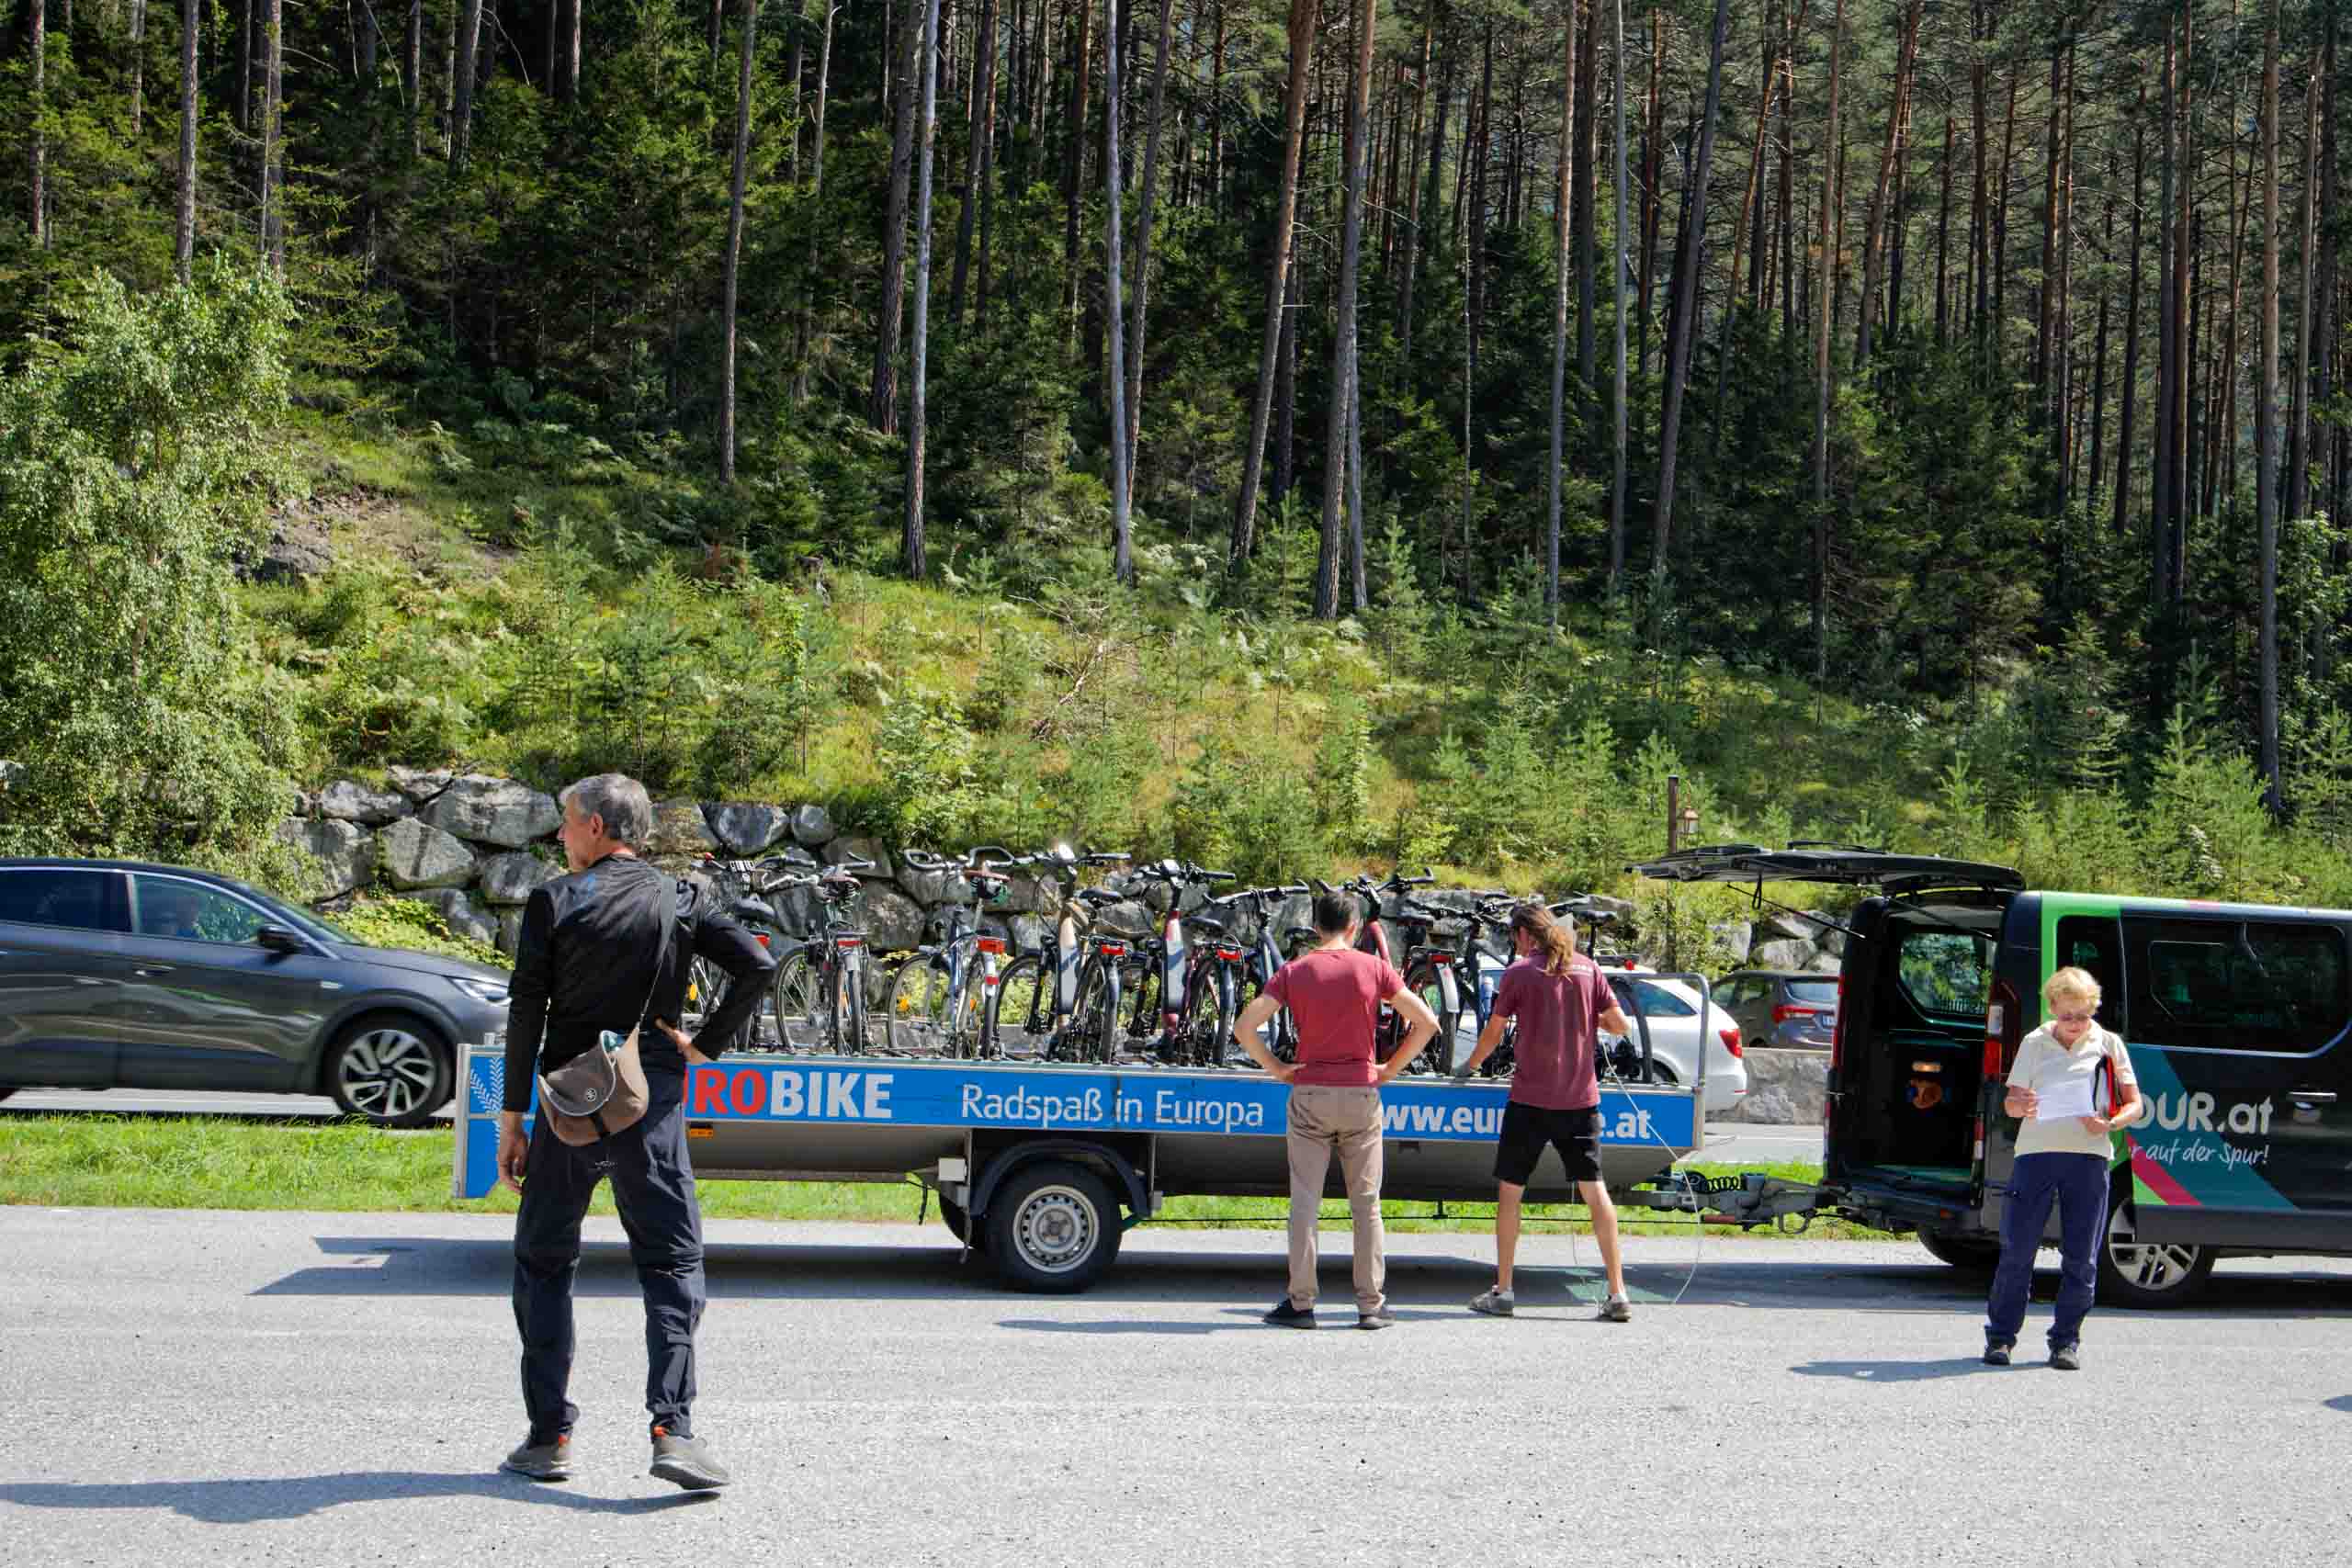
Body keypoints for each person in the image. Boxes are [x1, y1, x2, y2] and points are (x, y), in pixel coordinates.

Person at [494, 773, 775, 1489]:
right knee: (672, 1262)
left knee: (543, 1260)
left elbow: (526, 1010)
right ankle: (672, 1430)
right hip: (649, 1107)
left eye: (567, 821)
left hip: (567, 1111)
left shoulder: (553, 899)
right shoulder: (681, 898)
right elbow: (758, 964)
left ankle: (549, 1435)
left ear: (596, 826)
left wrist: (512, 1116)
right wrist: (705, 1045)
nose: (561, 835)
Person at [1232, 889, 1440, 1330]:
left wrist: (1277, 1069)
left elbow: (1244, 1027)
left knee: (1305, 1202)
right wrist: (1389, 1070)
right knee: (1366, 1205)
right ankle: (1370, 1306)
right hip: (1361, 1093)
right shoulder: (1374, 968)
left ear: (1316, 927)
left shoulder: (1295, 970)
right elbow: (1428, 1023)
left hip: (1310, 1094)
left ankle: (1301, 1304)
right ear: (1354, 926)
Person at [1453, 901, 1637, 1323]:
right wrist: (1587, 1019)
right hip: (1580, 1101)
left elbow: (1493, 1032)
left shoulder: (1519, 973)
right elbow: (1620, 1024)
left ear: (1524, 934)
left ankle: (1503, 1290)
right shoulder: (1588, 969)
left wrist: (1470, 1066)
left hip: (1530, 1101)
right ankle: (1618, 1292)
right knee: (1595, 1190)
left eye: (1513, 936)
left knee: (1511, 1192)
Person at [1983, 965, 2141, 1371]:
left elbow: (2135, 1104)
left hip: (2088, 1159)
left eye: (2082, 1015)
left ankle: (2065, 1341)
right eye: (2067, 1015)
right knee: (2018, 1251)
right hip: (2035, 1156)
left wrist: (2111, 1122)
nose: (2074, 1023)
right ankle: (2000, 1339)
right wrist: (2021, 1105)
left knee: (2081, 1257)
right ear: (2052, 1007)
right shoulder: (2034, 1042)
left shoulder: (2108, 1043)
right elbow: (2010, 1103)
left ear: (2093, 1009)